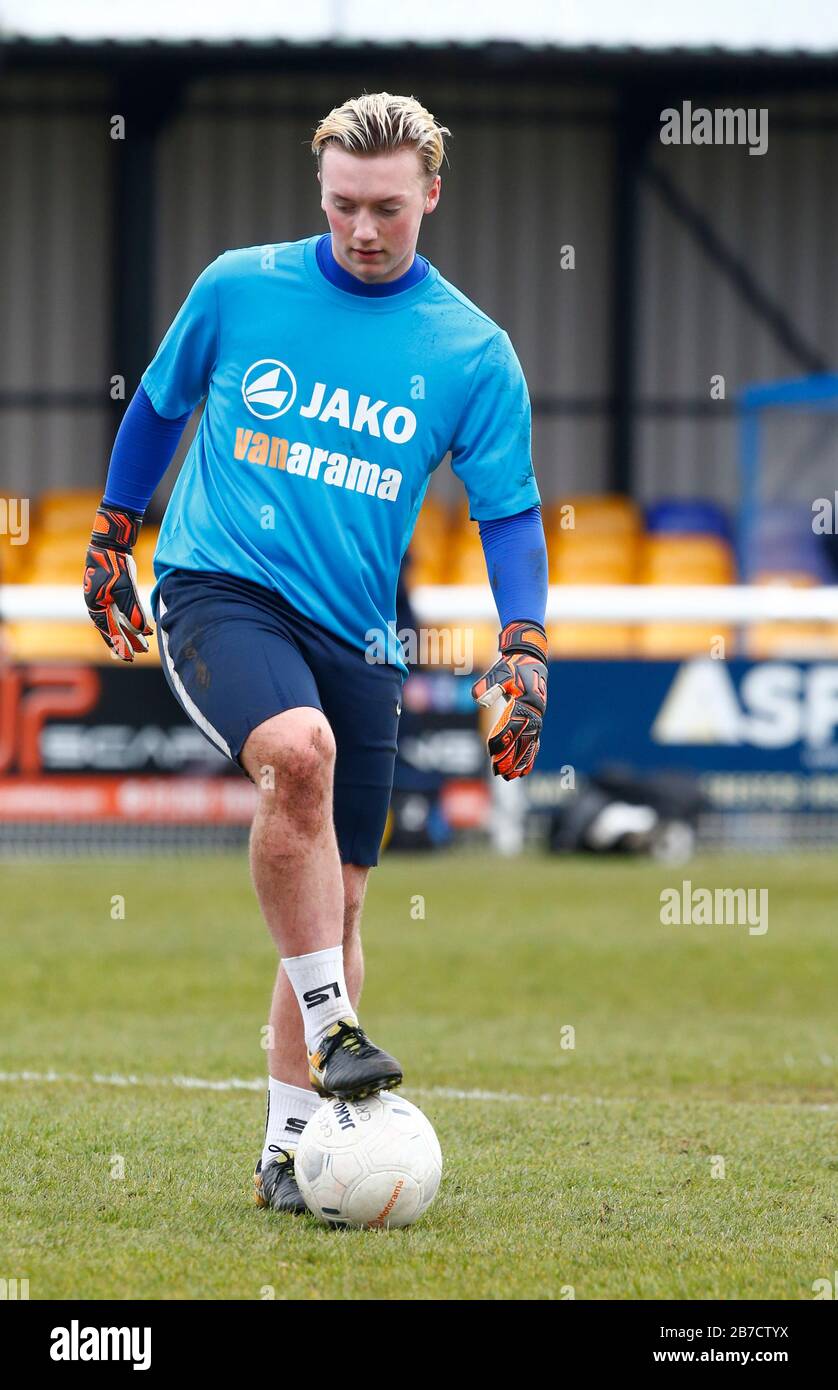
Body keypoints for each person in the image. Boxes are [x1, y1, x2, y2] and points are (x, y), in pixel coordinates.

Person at [83, 92, 549, 1215]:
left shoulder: (472, 353)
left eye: (387, 207)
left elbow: (509, 515)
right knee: (298, 751)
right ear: (321, 193)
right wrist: (112, 529)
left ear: (431, 192)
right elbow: (158, 403)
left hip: (359, 632)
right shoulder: (239, 286)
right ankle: (338, 1026)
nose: (364, 230)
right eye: (343, 205)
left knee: (336, 902)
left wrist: (524, 645)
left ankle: (289, 1153)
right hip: (217, 586)